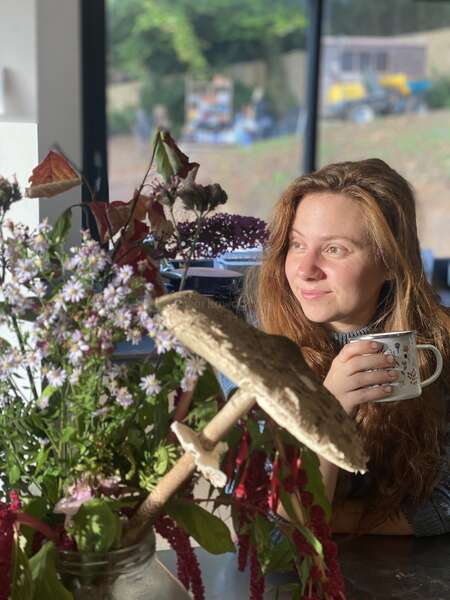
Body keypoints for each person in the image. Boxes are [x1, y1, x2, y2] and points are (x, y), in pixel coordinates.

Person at [221, 158, 450, 536]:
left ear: (390, 262)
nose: (305, 269)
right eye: (297, 244)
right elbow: (275, 527)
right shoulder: (248, 354)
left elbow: (446, 503)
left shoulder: (439, 342)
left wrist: (334, 517)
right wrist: (328, 412)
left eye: (335, 250)